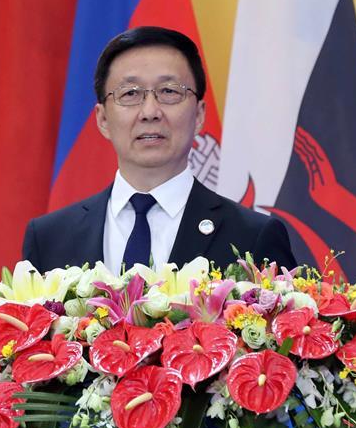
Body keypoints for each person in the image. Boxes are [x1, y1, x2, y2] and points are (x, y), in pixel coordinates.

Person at [22, 26, 295, 272]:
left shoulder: (253, 237)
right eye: (130, 93)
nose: (150, 112)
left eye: (169, 92)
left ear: (199, 115)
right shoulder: (49, 238)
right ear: (102, 119)